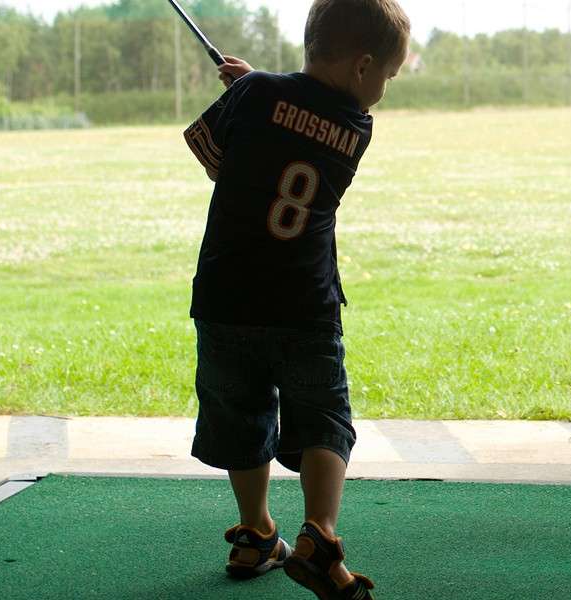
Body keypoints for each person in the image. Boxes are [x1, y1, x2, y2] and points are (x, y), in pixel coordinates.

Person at [181, 1, 410, 598]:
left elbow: (214, 157)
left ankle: (255, 533)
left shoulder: (255, 95)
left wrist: (249, 92)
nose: (382, 88)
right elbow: (300, 118)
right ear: (362, 67)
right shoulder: (356, 127)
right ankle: (319, 535)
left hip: (226, 296)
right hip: (304, 304)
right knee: (324, 419)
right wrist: (257, 88)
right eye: (386, 75)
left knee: (243, 414)